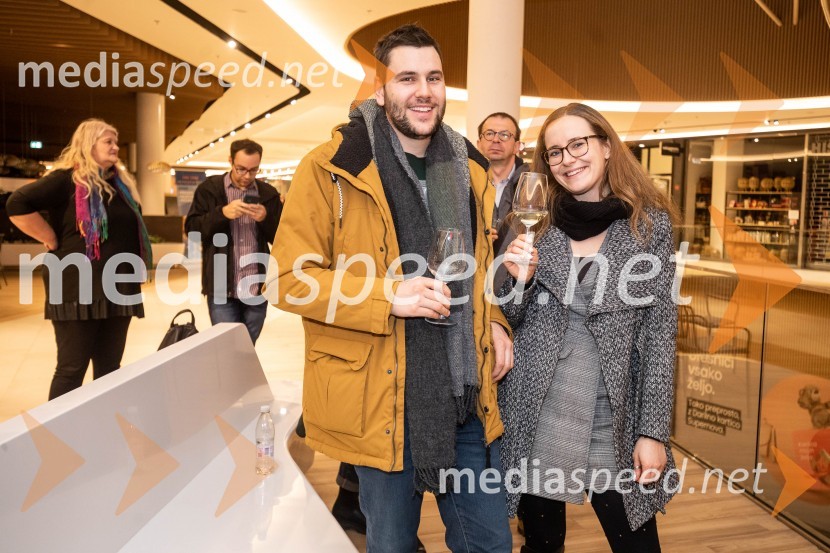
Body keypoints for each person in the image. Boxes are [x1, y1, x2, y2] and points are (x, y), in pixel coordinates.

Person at [268, 24, 514, 553]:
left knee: (491, 544)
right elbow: (289, 279)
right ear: (380, 91)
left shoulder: (470, 167)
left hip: (465, 395)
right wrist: (387, 296)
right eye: (407, 78)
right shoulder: (333, 166)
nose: (424, 91)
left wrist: (495, 320)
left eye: (434, 77)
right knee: (393, 545)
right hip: (382, 401)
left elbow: (480, 266)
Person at [497, 103, 679, 553]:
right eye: (555, 152)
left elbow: (660, 334)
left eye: (578, 144)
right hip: (537, 409)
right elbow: (509, 319)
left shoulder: (649, 225)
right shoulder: (534, 222)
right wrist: (519, 283)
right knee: (541, 544)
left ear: (606, 146)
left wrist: (653, 432)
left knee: (638, 546)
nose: (568, 159)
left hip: (611, 414)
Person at [7, 118, 152, 400]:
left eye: (116, 141)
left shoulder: (120, 185)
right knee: (72, 368)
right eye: (108, 141)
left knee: (110, 368)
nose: (115, 147)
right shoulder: (66, 180)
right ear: (88, 144)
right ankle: (57, 426)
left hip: (117, 286)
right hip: (76, 285)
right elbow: (17, 203)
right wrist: (49, 237)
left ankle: (103, 421)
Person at [185, 139, 281, 345]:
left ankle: (239, 368)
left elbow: (281, 238)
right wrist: (222, 213)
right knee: (227, 346)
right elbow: (192, 230)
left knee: (247, 346)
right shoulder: (210, 189)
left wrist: (266, 218)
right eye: (241, 169)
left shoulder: (268, 194)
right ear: (230, 161)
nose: (247, 176)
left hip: (257, 286)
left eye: (253, 170)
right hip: (221, 287)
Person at [476, 112, 529, 290]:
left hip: (517, 288)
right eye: (489, 133)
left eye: (504, 135)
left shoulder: (533, 186)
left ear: (517, 146)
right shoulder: (463, 184)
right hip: (472, 286)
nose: (496, 140)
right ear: (478, 143)